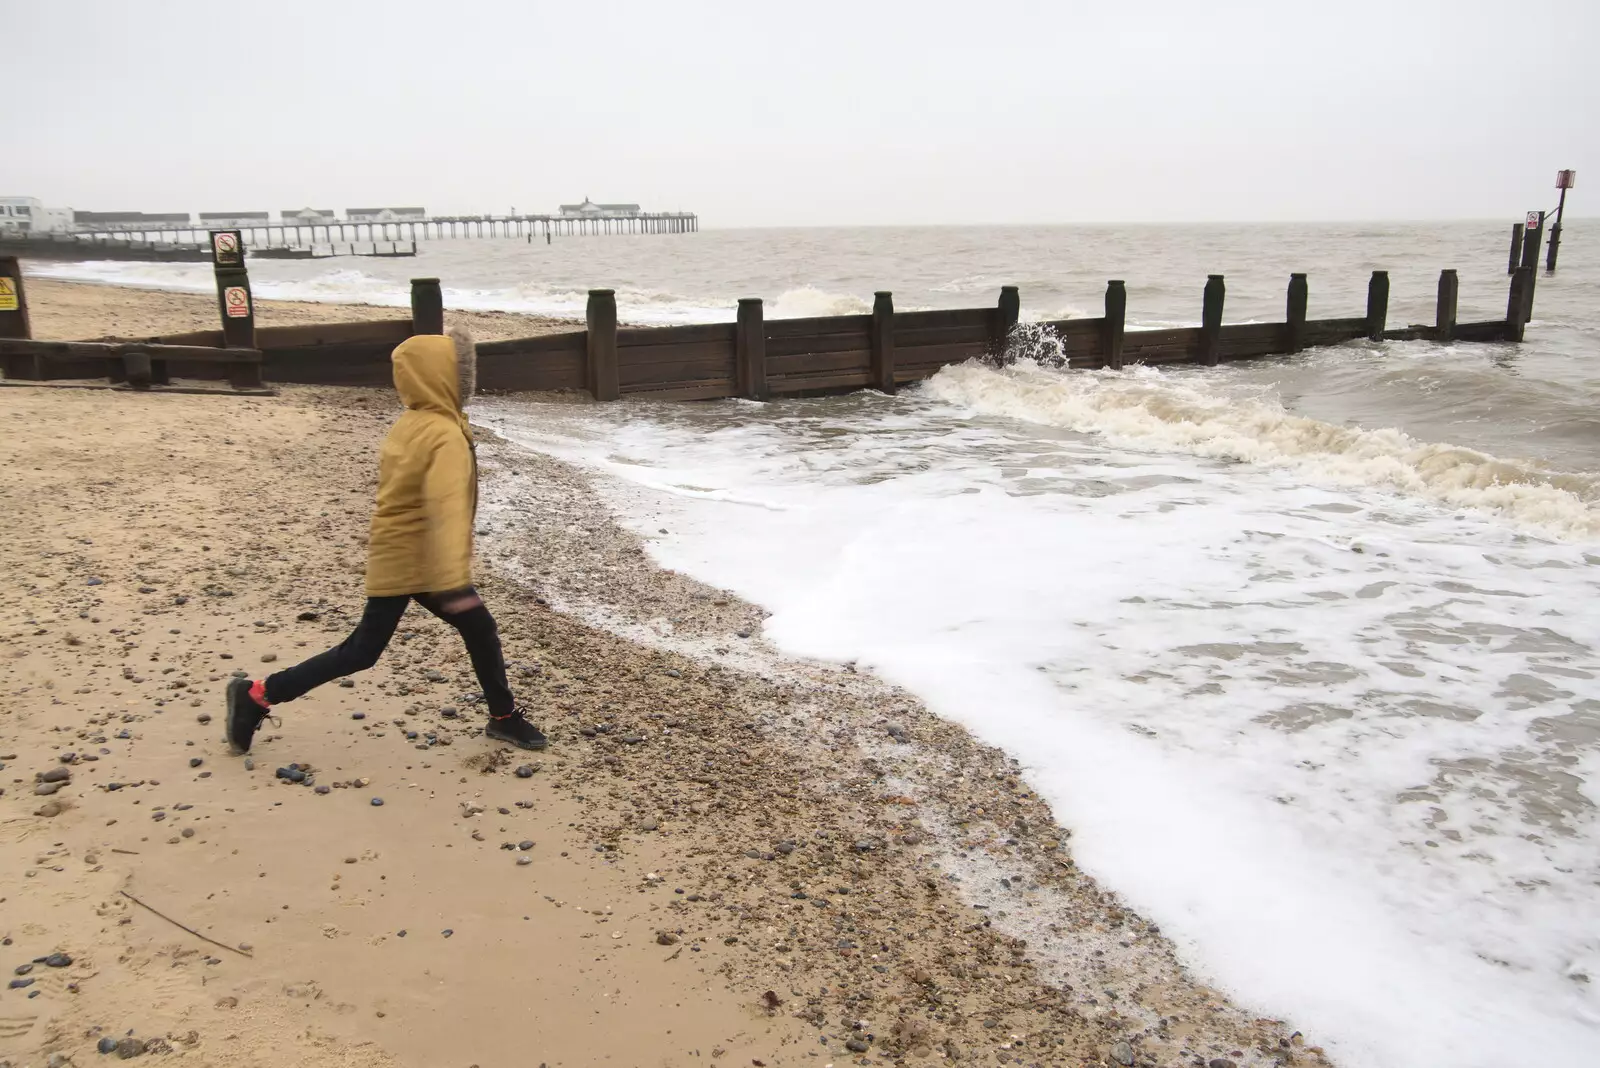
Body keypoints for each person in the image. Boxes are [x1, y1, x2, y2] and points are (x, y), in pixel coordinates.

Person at [223, 327, 548, 754]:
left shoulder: (414, 422)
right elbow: (445, 506)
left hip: (403, 550)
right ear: (446, 379)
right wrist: (452, 576)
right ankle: (257, 694)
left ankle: (503, 717)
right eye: (461, 373)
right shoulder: (444, 433)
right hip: (421, 561)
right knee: (363, 651)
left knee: (474, 631)